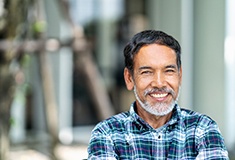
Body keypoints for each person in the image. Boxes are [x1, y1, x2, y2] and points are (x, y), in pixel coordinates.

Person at [87, 30, 229, 159]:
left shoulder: (203, 129)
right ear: (129, 78)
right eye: (147, 72)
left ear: (180, 76)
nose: (159, 83)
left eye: (169, 71)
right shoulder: (107, 133)